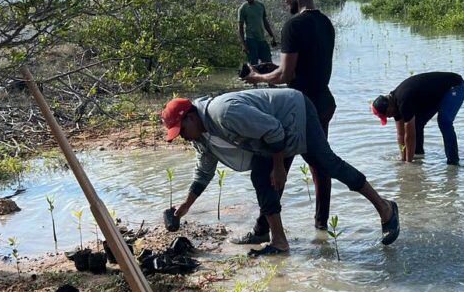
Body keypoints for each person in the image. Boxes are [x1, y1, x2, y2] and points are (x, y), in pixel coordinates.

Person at [162, 88, 400, 256]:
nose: (182, 137)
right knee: (260, 176)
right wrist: (184, 207)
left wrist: (279, 167)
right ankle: (275, 239)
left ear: (191, 117)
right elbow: (203, 172)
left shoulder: (223, 113)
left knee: (327, 164)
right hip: (271, 134)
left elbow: (274, 130)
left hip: (295, 111)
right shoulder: (202, 136)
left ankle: (386, 209)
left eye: (181, 130)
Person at [240, 0, 335, 243]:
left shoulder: (293, 26)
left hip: (298, 109)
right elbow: (308, 66)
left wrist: (258, 77)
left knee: (275, 165)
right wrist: (276, 69)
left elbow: (286, 76)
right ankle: (321, 227)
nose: (284, 0)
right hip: (323, 102)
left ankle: (262, 229)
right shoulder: (326, 23)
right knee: (321, 164)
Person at [371, 72, 464, 165]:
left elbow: (410, 135)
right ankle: (418, 157)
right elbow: (401, 134)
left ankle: (453, 162)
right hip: (435, 94)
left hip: (454, 87)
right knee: (416, 124)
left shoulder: (403, 101)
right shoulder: (394, 105)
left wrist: (408, 163)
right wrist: (403, 158)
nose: (388, 117)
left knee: (444, 122)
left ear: (388, 107)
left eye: (387, 115)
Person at [238, 0, 277, 66]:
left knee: (268, 64)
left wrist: (272, 36)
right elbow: (240, 28)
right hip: (250, 40)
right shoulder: (242, 8)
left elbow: (265, 22)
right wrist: (243, 44)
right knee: (254, 66)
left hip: (262, 39)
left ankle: (267, 78)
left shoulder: (260, 6)